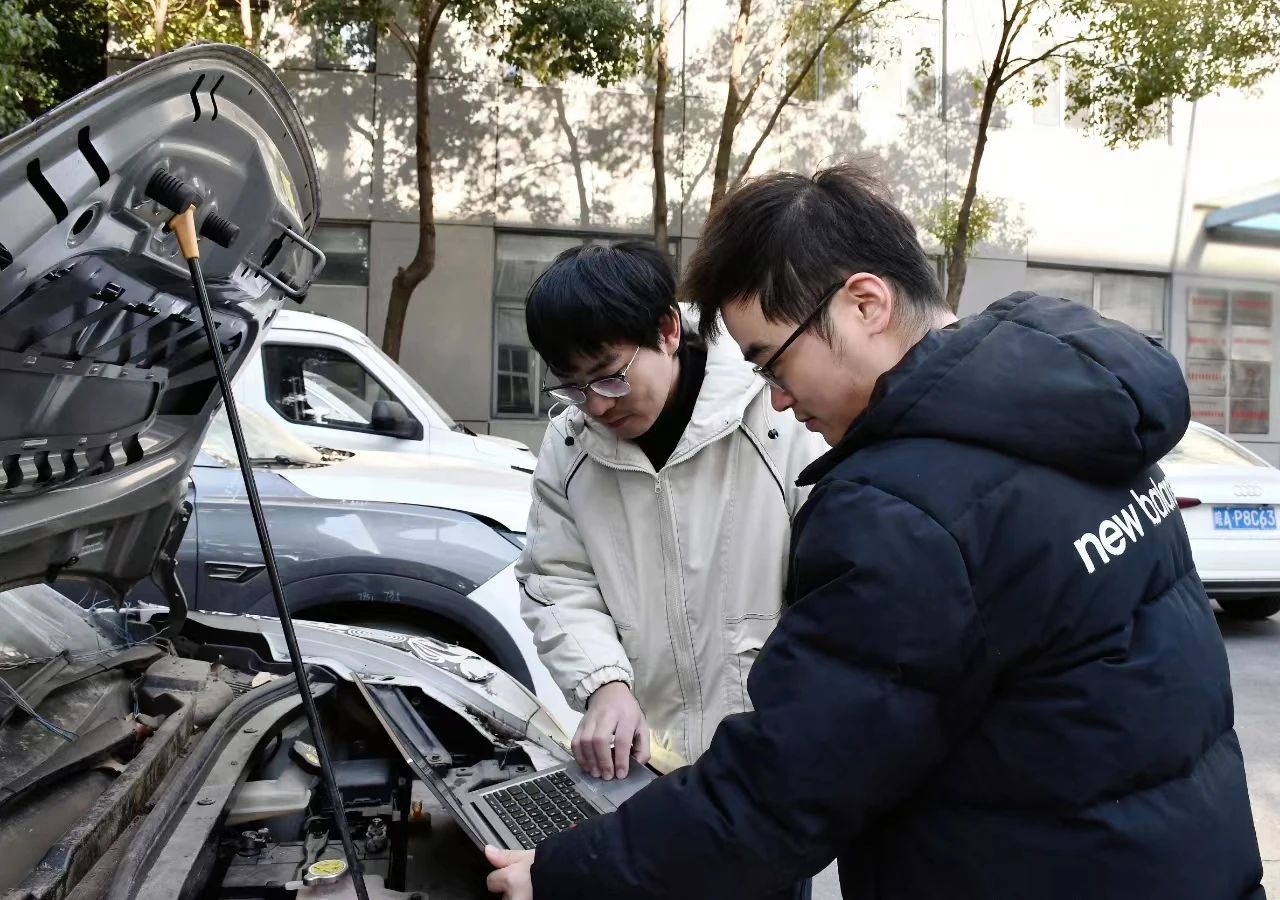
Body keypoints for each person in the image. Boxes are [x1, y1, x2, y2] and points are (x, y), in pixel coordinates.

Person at [487, 164, 1264, 899]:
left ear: (865, 304)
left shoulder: (904, 508)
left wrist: (565, 875)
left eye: (773, 363)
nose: (778, 399)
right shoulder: (1071, 415)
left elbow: (781, 788)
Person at [513, 241, 824, 784]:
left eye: (610, 376)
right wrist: (604, 684)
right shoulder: (569, 445)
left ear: (668, 329)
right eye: (574, 388)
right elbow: (556, 579)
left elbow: (830, 593)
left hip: (773, 761)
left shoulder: (775, 419)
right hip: (646, 764)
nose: (597, 405)